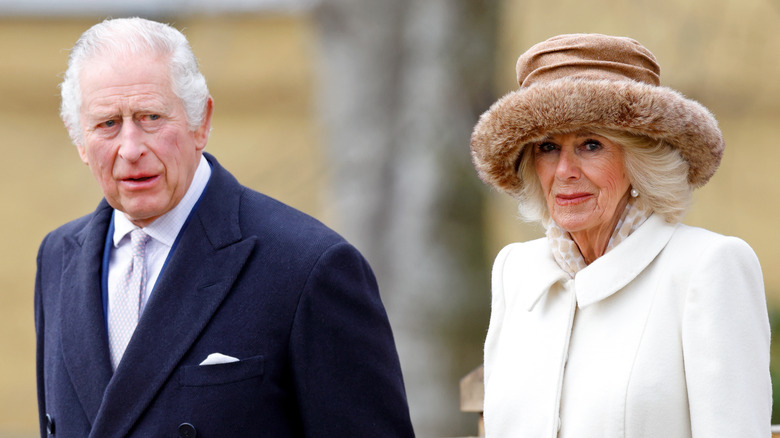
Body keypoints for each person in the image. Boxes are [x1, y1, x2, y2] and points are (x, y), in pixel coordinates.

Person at [34, 17, 415, 438]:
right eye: (107, 124)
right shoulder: (57, 257)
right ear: (80, 141)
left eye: (151, 117)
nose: (131, 148)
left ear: (201, 123)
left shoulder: (308, 267)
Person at [470, 33, 771, 437]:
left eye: (590, 145)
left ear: (639, 159)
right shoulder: (516, 269)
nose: (564, 171)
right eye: (546, 147)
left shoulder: (709, 265)